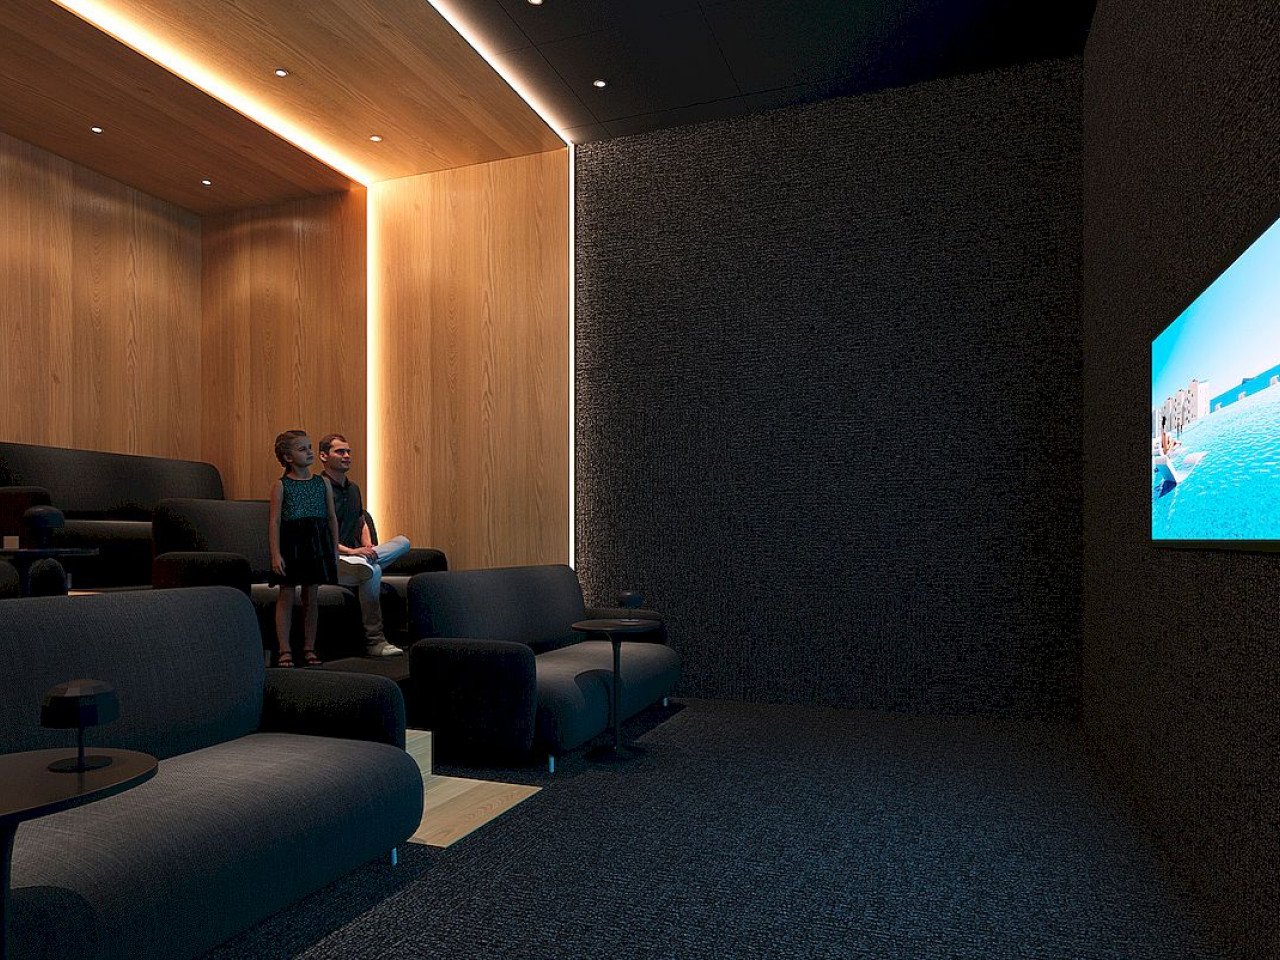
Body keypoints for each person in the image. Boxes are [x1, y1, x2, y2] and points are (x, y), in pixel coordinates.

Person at [318, 433, 411, 657]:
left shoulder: (353, 489)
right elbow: (319, 535)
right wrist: (352, 551)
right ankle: (375, 640)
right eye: (340, 451)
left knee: (403, 542)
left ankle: (364, 562)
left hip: (356, 559)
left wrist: (367, 547)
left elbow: (361, 521)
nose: (347, 456)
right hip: (332, 560)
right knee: (373, 571)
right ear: (323, 456)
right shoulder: (317, 489)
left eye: (348, 451)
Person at [268, 430, 339, 667]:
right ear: (288, 457)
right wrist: (275, 554)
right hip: (292, 543)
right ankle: (284, 649)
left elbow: (331, 517)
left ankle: (309, 647)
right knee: (287, 593)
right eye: (302, 449)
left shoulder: (322, 483)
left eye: (310, 448)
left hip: (316, 544)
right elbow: (275, 522)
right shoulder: (281, 485)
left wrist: (334, 549)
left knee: (312, 596)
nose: (309, 452)